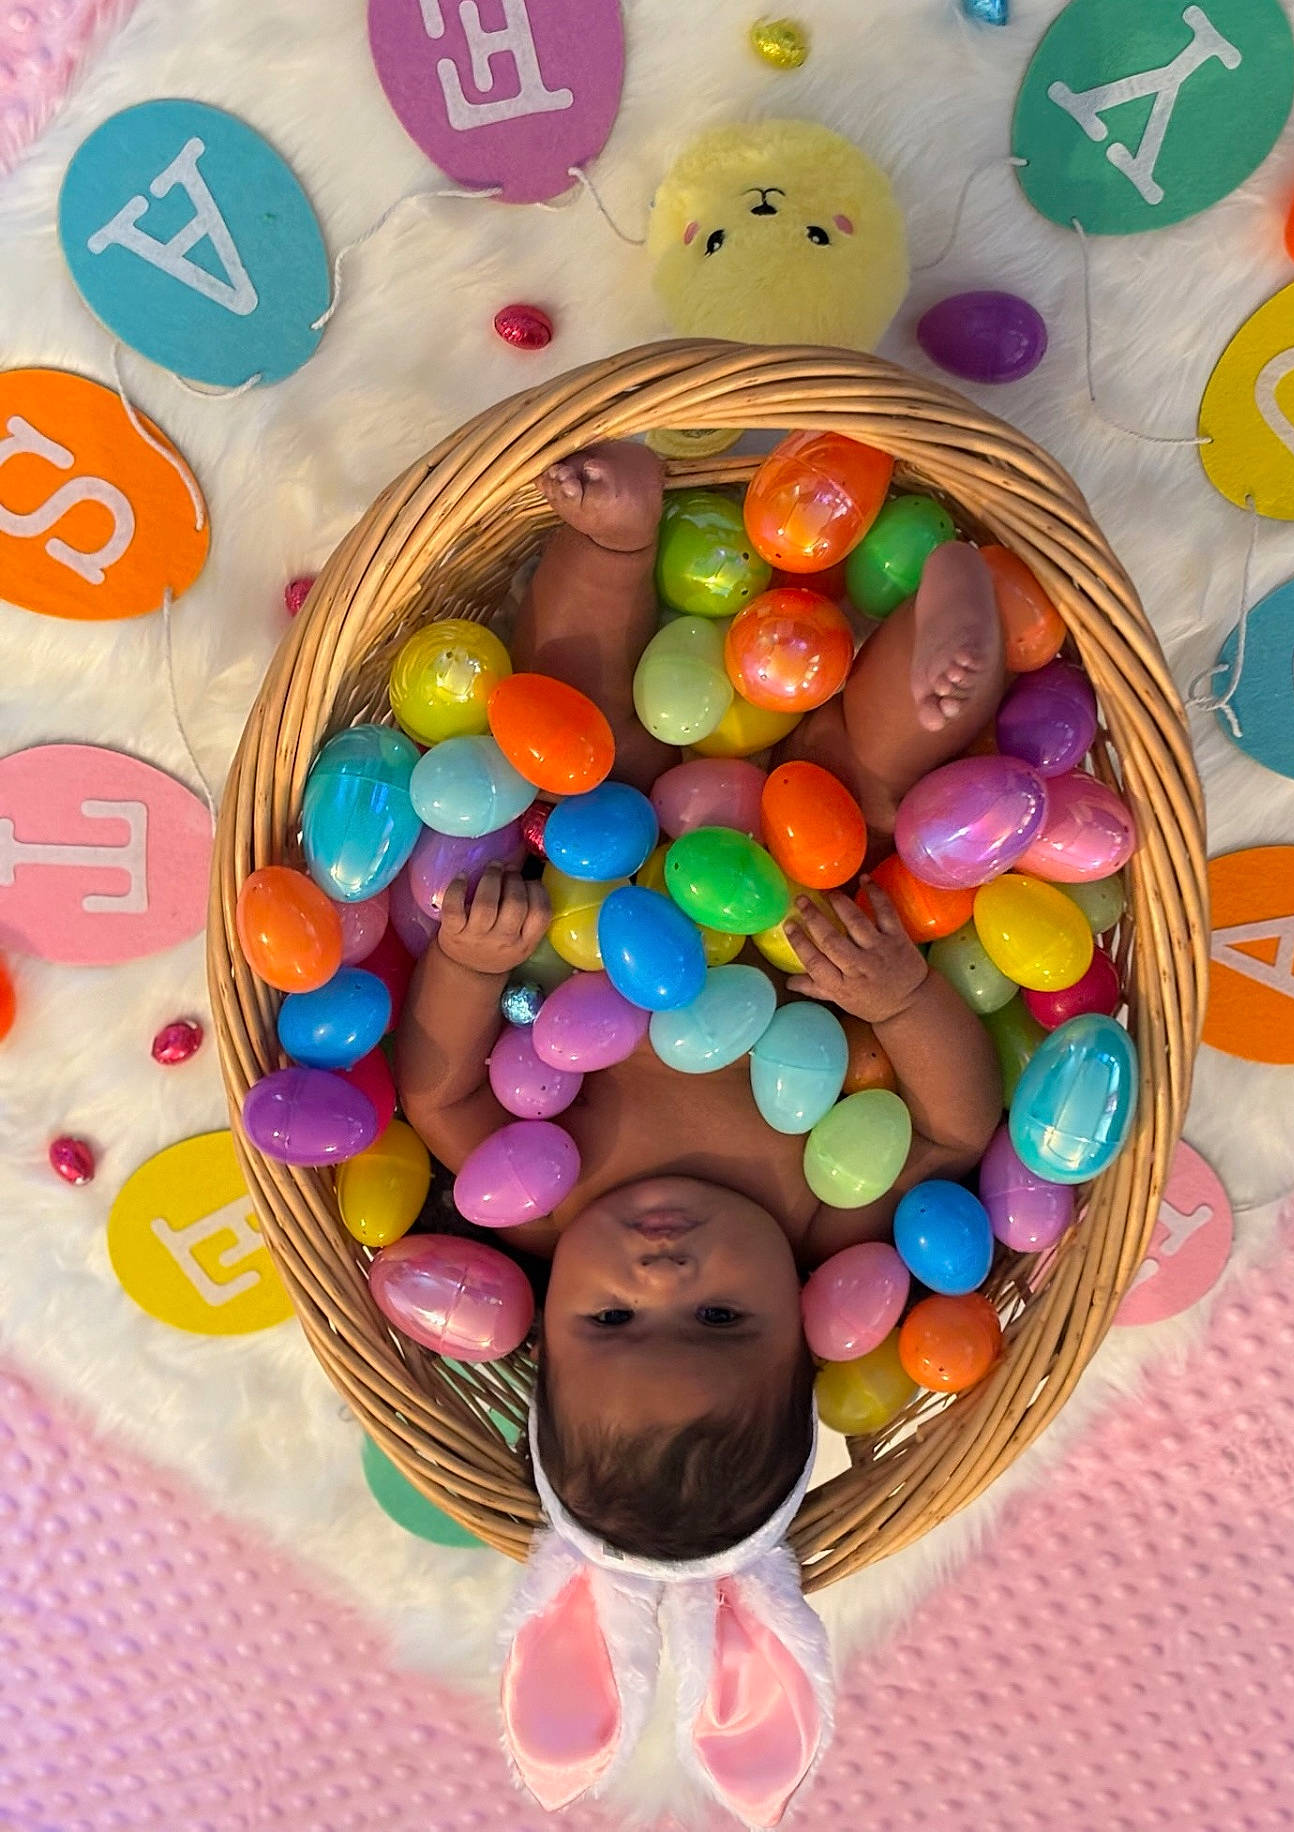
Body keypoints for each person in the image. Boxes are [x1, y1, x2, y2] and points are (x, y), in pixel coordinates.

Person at [396, 440, 1005, 1571]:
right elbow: (958, 1128)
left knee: (580, 741)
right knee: (861, 796)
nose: (661, 1278)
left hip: (600, 872)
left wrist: (475, 968)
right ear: (812, 1333)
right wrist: (904, 993)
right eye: (722, 1321)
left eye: (610, 1323)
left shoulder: (541, 1207)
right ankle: (939, 661)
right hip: (799, 894)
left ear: (543, 1330)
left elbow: (436, 1097)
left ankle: (609, 542)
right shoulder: (830, 1229)